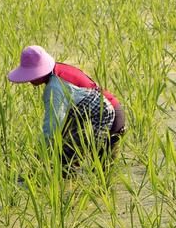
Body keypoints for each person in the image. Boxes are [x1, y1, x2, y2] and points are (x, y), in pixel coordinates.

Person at [8, 45, 126, 175]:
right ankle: (71, 190)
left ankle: (69, 191)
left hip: (107, 116)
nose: (29, 79)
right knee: (76, 161)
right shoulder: (59, 69)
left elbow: (52, 126)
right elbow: (67, 122)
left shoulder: (55, 87)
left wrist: (39, 158)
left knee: (70, 164)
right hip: (110, 112)